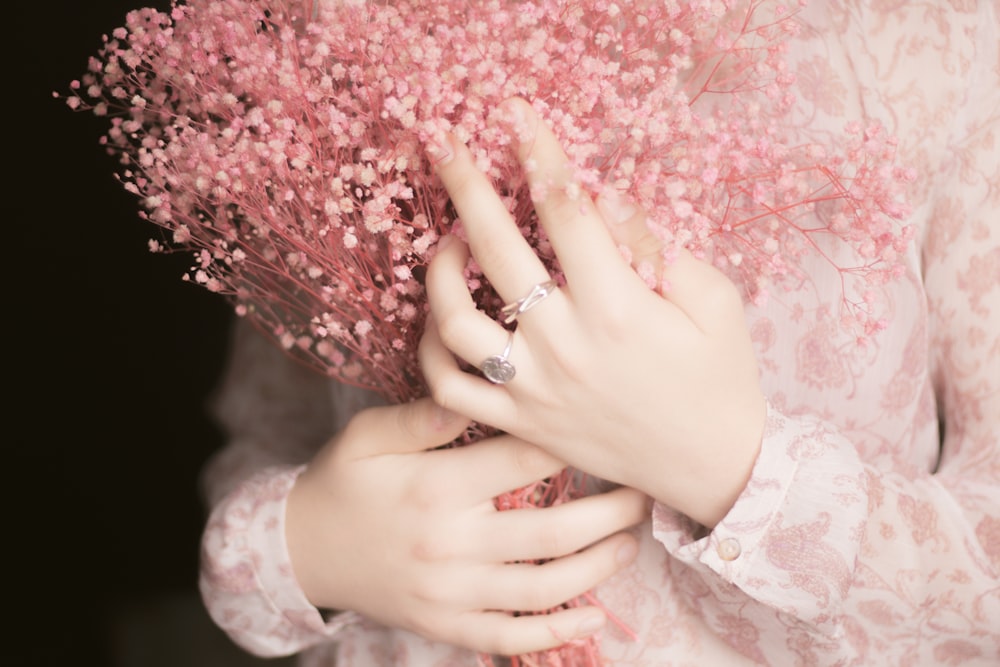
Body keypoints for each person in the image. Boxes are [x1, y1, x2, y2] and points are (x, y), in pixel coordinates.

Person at [198, 1, 999, 665]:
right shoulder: (342, 30)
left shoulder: (938, 39)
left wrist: (734, 469)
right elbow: (265, 437)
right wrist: (303, 548)